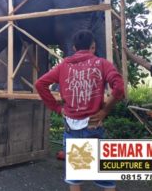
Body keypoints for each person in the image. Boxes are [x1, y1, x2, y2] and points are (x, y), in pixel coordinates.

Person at [35, 29, 125, 191]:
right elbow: (119, 88)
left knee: (75, 179)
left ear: (74, 48)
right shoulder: (102, 64)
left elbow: (40, 84)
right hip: (93, 125)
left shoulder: (63, 66)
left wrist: (56, 108)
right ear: (93, 47)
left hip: (71, 127)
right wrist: (104, 112)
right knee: (106, 178)